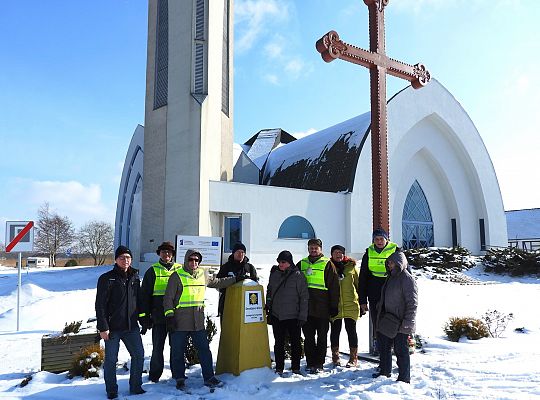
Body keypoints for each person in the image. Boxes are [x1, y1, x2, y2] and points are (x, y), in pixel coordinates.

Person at [163, 249, 223, 390]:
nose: (194, 262)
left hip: (197, 322)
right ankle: (179, 378)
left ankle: (209, 377)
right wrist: (169, 316)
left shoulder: (202, 274)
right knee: (177, 351)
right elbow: (168, 299)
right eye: (191, 259)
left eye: (196, 260)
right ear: (186, 260)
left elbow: (217, 282)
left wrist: (236, 279)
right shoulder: (176, 276)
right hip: (180, 322)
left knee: (204, 351)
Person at [95, 246, 145, 399]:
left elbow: (139, 301)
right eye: (122, 257)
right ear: (116, 260)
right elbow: (100, 305)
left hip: (131, 326)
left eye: (128, 257)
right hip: (112, 328)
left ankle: (136, 386)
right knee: (111, 360)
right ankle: (111, 389)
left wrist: (143, 320)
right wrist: (103, 327)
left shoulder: (135, 277)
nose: (126, 260)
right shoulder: (107, 278)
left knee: (138, 355)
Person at [139, 241, 183, 382]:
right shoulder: (152, 271)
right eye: (164, 252)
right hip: (158, 317)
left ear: (173, 254)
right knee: (158, 348)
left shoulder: (180, 269)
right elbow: (144, 296)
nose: (167, 254)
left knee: (176, 347)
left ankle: (177, 374)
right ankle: (154, 375)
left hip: (176, 317)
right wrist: (145, 317)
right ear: (159, 253)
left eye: (169, 252)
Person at [373, 251, 418, 383]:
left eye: (392, 262)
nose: (389, 265)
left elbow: (412, 303)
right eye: (388, 263)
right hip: (389, 320)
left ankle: (404, 378)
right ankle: (385, 372)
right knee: (384, 347)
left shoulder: (407, 279)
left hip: (402, 322)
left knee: (401, 350)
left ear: (400, 263)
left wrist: (408, 322)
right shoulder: (391, 277)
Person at [297, 238, 340, 374]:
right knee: (309, 337)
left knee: (322, 337)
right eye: (311, 248)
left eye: (316, 248)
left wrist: (334, 306)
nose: (313, 250)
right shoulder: (302, 263)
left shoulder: (327, 264)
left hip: (323, 308)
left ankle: (319, 363)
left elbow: (334, 287)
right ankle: (310, 362)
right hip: (307, 308)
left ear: (321, 249)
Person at [266, 250, 309, 375]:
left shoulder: (298, 276)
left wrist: (302, 316)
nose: (280, 264)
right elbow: (269, 291)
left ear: (289, 262)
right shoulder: (274, 274)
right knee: (278, 343)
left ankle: (296, 367)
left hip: (293, 316)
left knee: (295, 343)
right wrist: (268, 306)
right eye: (279, 261)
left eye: (283, 262)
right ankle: (279, 367)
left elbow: (304, 297)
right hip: (277, 315)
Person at [358, 228, 399, 354]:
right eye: (376, 239)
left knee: (392, 318)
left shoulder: (395, 250)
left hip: (391, 287)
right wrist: (362, 300)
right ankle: (379, 345)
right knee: (377, 319)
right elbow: (363, 277)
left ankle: (393, 346)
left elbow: (405, 271)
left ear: (387, 239)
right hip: (374, 288)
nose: (379, 241)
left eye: (382, 239)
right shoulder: (369, 252)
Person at [328, 245, 361, 368]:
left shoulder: (351, 267)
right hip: (335, 305)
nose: (338, 255)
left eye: (340, 252)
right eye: (335, 252)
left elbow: (358, 285)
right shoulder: (328, 267)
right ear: (332, 254)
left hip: (350, 304)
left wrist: (362, 303)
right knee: (335, 331)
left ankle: (353, 358)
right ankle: (335, 356)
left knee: (351, 331)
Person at [215, 242, 258, 320]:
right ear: (233, 253)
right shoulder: (226, 267)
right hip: (228, 303)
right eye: (238, 252)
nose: (240, 254)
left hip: (245, 306)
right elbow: (218, 283)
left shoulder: (250, 268)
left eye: (242, 252)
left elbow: (256, 285)